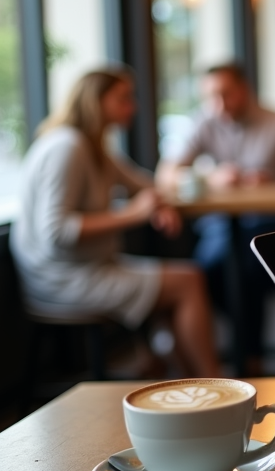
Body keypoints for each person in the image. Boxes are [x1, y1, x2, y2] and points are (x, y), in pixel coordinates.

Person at [11, 69, 221, 377]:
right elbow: (56, 233)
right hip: (60, 278)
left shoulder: (93, 147)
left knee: (183, 279)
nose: (133, 106)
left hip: (88, 267)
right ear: (96, 101)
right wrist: (134, 214)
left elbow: (144, 185)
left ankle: (184, 378)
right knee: (188, 281)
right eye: (124, 98)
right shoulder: (67, 148)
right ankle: (212, 381)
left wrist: (158, 205)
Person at [157, 63, 275, 370]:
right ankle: (241, 353)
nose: (219, 105)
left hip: (270, 221)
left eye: (226, 94)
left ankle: (249, 356)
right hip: (221, 223)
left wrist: (274, 183)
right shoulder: (204, 122)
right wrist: (211, 178)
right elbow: (166, 173)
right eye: (210, 97)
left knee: (248, 268)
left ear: (245, 90)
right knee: (209, 269)